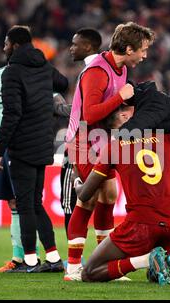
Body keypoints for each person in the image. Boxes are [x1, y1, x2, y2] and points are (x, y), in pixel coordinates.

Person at [75, 105, 170, 283]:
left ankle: (145, 259)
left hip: (141, 225)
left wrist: (76, 181)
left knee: (89, 273)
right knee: (155, 277)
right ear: (125, 116)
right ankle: (165, 266)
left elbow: (85, 195)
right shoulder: (164, 137)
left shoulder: (113, 148)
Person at [64, 22, 155, 281]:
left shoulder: (121, 69)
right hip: (83, 140)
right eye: (143, 50)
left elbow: (110, 111)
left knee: (110, 194)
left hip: (103, 139)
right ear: (128, 48)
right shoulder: (97, 72)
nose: (144, 56)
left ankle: (103, 263)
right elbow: (90, 113)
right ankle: (72, 267)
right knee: (88, 198)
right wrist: (120, 98)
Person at [0, 25, 68, 272]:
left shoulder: (12, 73)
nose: (3, 47)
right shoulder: (44, 66)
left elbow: (12, 114)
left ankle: (30, 261)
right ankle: (54, 259)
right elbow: (63, 82)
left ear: (13, 44)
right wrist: (46, 94)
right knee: (35, 203)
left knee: (25, 205)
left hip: (22, 146)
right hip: (43, 143)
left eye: (5, 43)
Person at [60, 28, 103, 237]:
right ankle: (102, 262)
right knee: (103, 200)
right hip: (98, 142)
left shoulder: (93, 70)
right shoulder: (100, 68)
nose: (71, 48)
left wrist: (60, 109)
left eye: (75, 44)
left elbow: (86, 112)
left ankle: (74, 262)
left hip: (83, 143)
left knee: (74, 202)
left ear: (87, 46)